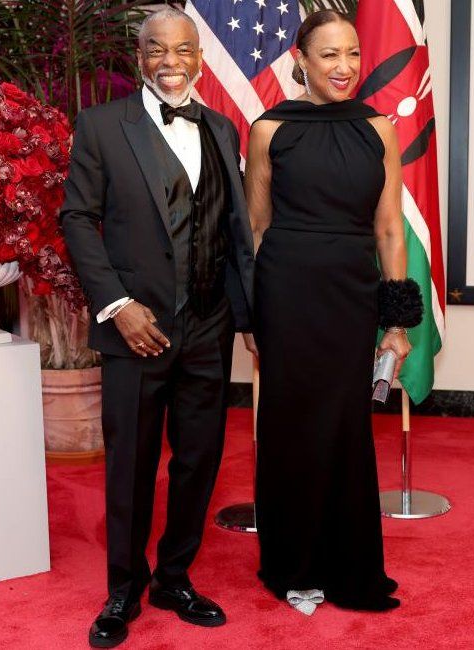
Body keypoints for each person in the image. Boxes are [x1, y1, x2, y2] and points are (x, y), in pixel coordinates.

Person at [60, 8, 255, 647]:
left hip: (208, 326)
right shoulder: (100, 126)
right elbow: (78, 220)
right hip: (135, 327)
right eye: (157, 50)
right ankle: (123, 589)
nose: (171, 61)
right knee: (133, 464)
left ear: (200, 56)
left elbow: (232, 232)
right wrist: (117, 303)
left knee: (199, 459)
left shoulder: (223, 128)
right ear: (138, 55)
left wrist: (246, 318)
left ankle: (174, 576)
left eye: (184, 50)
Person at [243, 10, 422, 615]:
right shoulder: (269, 129)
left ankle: (347, 566)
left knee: (345, 430)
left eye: (352, 54)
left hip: (351, 295)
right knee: (291, 429)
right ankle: (292, 566)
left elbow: (390, 229)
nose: (344, 68)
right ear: (301, 57)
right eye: (329, 56)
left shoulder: (378, 129)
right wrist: (252, 317)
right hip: (286, 294)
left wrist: (395, 321)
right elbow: (257, 229)